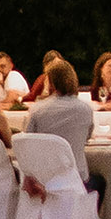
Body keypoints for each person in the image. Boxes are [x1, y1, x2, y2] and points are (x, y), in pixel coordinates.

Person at [24, 58, 105, 201]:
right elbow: (86, 138)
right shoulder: (85, 109)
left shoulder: (37, 110)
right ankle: (85, 217)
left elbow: (27, 142)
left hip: (44, 179)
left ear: (51, 82)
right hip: (76, 179)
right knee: (101, 181)